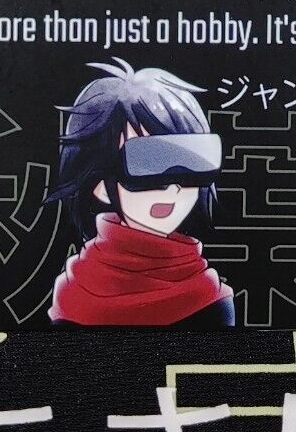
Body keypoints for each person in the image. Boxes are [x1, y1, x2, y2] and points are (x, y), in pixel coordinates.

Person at [46, 60, 236, 328]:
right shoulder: (75, 292)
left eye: (188, 161)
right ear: (101, 184)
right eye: (147, 162)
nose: (172, 186)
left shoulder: (209, 297)